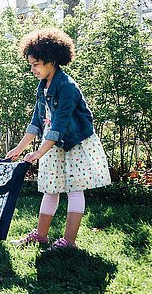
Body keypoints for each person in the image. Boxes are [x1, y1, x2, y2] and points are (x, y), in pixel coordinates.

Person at [6, 27, 110, 251]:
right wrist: (20, 148)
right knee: (50, 189)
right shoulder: (43, 86)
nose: (32, 69)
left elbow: (61, 125)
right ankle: (41, 236)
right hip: (52, 142)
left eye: (35, 64)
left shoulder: (67, 87)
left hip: (74, 143)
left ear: (51, 60)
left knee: (74, 189)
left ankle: (69, 242)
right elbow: (36, 121)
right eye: (31, 65)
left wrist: (38, 153)